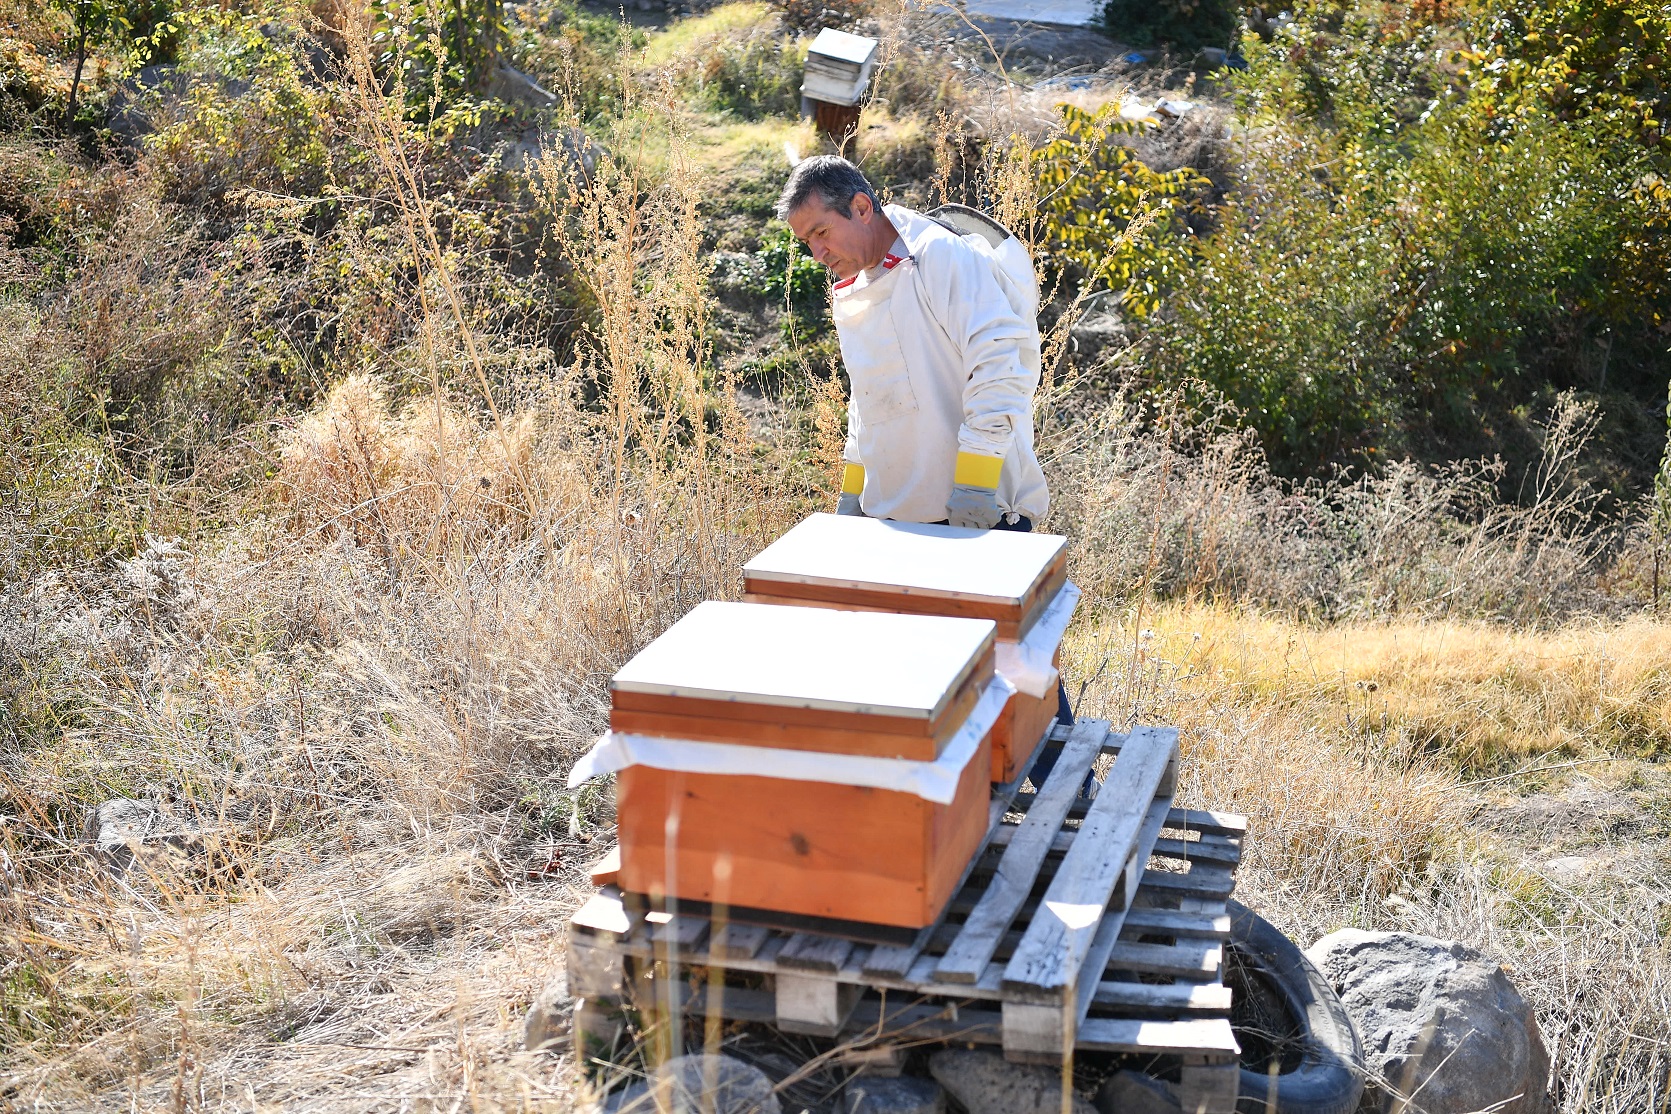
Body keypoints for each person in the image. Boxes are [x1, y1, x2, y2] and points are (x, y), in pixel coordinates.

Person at [776, 156, 1082, 787]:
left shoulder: (940, 259)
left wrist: (972, 485)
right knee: (927, 692)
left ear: (861, 207)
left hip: (980, 519)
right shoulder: (855, 284)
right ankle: (966, 813)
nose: (816, 252)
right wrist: (851, 499)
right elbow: (870, 398)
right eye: (805, 242)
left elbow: (1002, 366)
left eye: (820, 233)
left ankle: (1077, 814)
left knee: (1020, 683)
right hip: (904, 524)